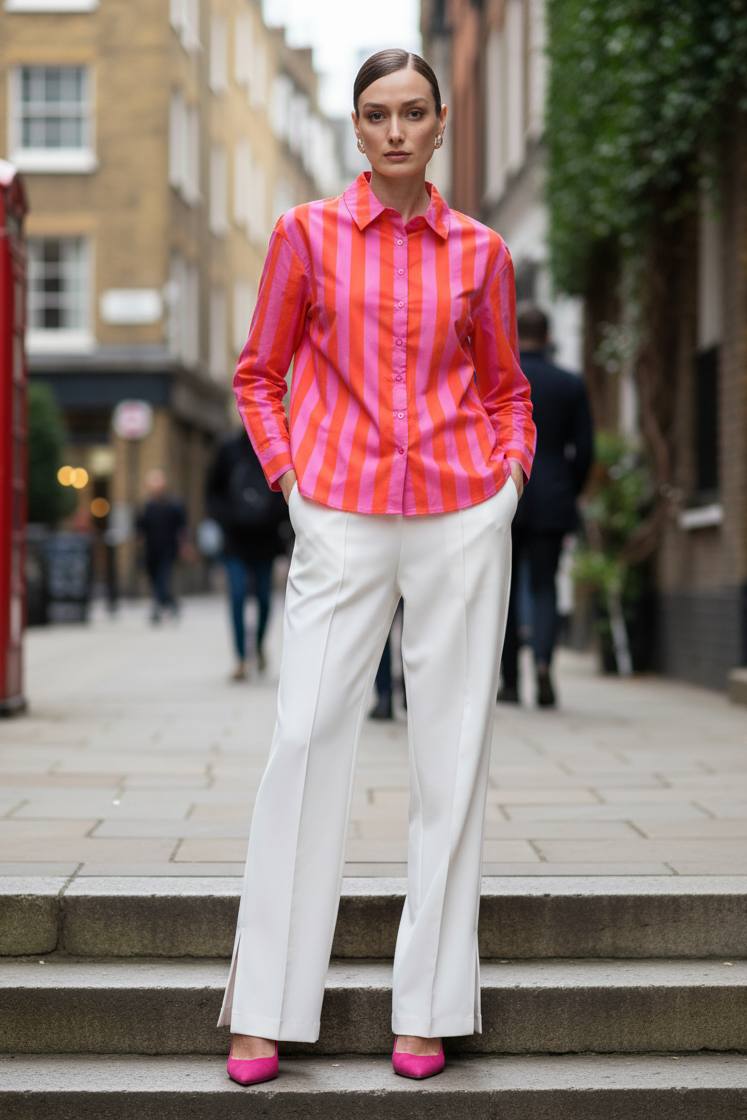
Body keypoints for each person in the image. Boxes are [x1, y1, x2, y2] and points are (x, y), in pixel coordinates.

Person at [218, 49, 535, 1086]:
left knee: (451, 754)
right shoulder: (304, 236)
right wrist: (293, 480)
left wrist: (508, 481)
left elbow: (505, 386)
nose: (394, 130)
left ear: (440, 123)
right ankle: (263, 1010)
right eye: (375, 114)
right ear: (356, 130)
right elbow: (260, 373)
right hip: (340, 512)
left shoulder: (484, 252)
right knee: (305, 735)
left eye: (412, 112)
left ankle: (431, 1006)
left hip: (460, 514)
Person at [498, 303, 593, 708]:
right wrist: (570, 489)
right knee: (544, 586)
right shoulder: (570, 383)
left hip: (507, 494)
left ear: (516, 337)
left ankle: (510, 683)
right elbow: (585, 449)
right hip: (553, 494)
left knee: (502, 590)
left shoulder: (503, 380)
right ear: (549, 337)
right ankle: (542, 664)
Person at [206, 429, 290, 679]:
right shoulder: (228, 448)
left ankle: (259, 646)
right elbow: (213, 490)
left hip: (266, 540)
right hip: (235, 541)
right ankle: (241, 658)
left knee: (264, 599)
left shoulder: (276, 447)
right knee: (238, 596)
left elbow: (286, 487)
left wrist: (277, 522)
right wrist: (226, 520)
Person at [136, 468, 188, 623]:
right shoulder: (146, 507)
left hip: (169, 549)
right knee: (155, 580)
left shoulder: (174, 506)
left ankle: (157, 608)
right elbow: (140, 528)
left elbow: (182, 528)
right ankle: (172, 604)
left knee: (163, 579)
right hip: (151, 550)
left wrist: (184, 545)